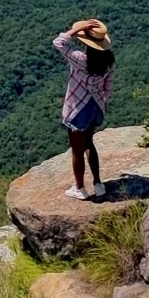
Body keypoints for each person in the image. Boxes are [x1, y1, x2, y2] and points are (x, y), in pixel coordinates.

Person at [53, 18, 115, 201]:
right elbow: (107, 89)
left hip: (78, 109)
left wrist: (77, 29)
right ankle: (98, 183)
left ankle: (79, 188)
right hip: (96, 107)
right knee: (90, 143)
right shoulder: (108, 61)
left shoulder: (81, 60)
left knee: (77, 150)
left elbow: (58, 43)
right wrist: (102, 105)